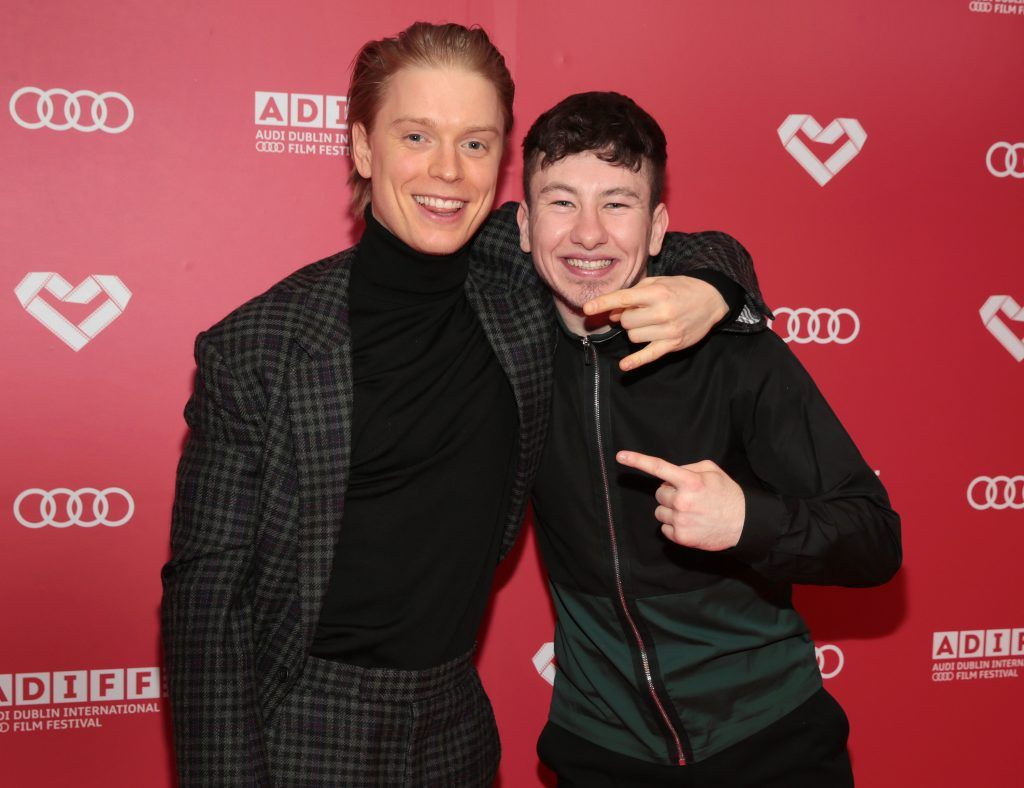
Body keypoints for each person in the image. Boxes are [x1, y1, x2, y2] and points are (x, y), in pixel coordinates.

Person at [161, 23, 768, 787]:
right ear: (361, 148)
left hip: (457, 724)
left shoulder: (515, 286)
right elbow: (205, 606)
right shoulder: (259, 347)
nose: (447, 171)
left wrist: (707, 294)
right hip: (304, 727)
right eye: (417, 135)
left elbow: (697, 248)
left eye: (476, 144)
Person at [511, 92, 902, 787]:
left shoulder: (733, 356)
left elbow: (874, 538)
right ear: (523, 223)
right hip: (598, 749)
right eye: (562, 202)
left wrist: (749, 521)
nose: (590, 234)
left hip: (767, 739)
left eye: (619, 203)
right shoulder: (506, 355)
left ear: (659, 227)